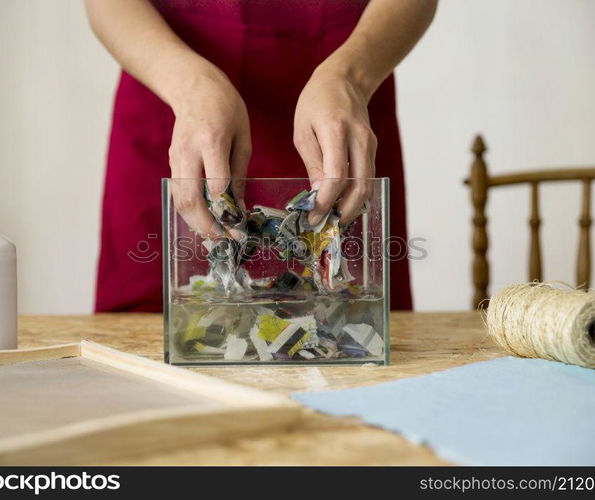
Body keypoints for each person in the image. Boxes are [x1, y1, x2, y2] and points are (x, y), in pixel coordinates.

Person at [86, 0, 437, 312]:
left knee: (352, 320)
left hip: (342, 97)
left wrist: (351, 78)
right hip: (175, 94)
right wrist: (190, 86)